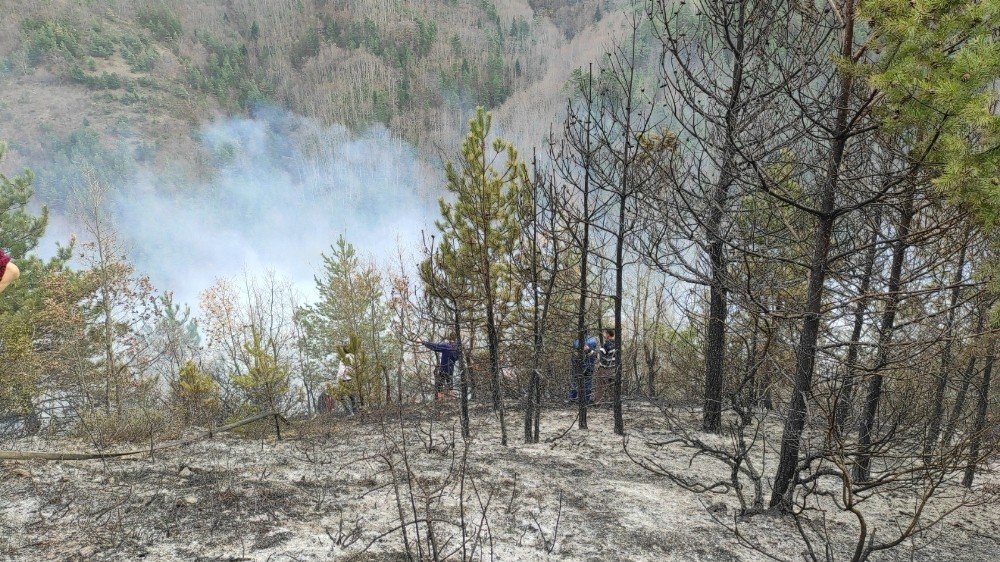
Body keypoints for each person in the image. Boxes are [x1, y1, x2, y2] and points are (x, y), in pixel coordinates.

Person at [422, 335, 459, 400]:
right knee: (450, 385)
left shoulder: (446, 346)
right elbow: (457, 358)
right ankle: (453, 400)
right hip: (451, 369)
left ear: (449, 339)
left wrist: (424, 342)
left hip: (444, 368)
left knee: (440, 385)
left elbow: (435, 346)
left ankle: (441, 401)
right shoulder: (457, 349)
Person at [568, 336, 598, 404]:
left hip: (584, 366)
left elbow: (595, 354)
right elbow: (595, 354)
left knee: (578, 382)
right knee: (582, 382)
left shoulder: (578, 341)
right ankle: (583, 399)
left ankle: (574, 399)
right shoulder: (592, 340)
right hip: (583, 365)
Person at [595, 328, 618, 406]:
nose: (604, 335)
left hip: (605, 369)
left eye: (604, 333)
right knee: (612, 386)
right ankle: (613, 402)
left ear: (608, 334)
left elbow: (599, 356)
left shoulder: (606, 344)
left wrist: (588, 351)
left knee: (600, 386)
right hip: (614, 369)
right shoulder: (617, 344)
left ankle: (598, 402)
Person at [336, 350, 358, 415]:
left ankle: (349, 413)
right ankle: (355, 411)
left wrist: (338, 380)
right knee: (352, 396)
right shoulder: (354, 357)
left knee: (342, 396)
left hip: (344, 380)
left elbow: (341, 371)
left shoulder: (344, 358)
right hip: (351, 379)